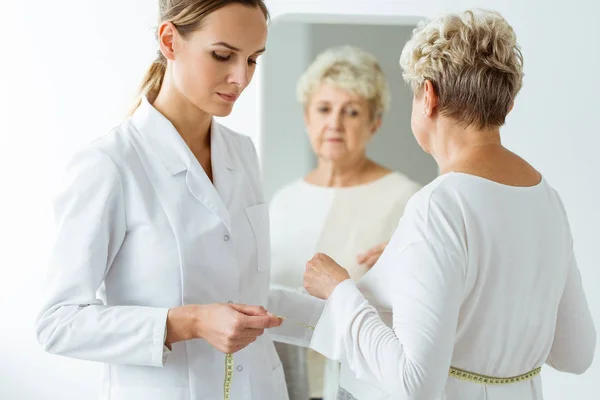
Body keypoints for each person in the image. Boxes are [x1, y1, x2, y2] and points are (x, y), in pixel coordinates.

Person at [34, 1, 323, 399]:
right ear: (170, 40)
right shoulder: (110, 165)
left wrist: (356, 317)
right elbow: (58, 323)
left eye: (253, 60)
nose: (240, 77)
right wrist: (188, 322)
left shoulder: (241, 153)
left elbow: (248, 297)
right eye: (222, 55)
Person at [303, 9, 597, 400]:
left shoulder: (438, 206)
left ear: (428, 96)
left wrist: (339, 290)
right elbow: (576, 354)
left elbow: (415, 385)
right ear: (506, 106)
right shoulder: (547, 200)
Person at [269, 46, 421, 400]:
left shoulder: (404, 196)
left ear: (374, 123)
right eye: (324, 109)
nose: (334, 123)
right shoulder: (283, 200)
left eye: (351, 112)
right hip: (283, 376)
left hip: (362, 380)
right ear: (307, 118)